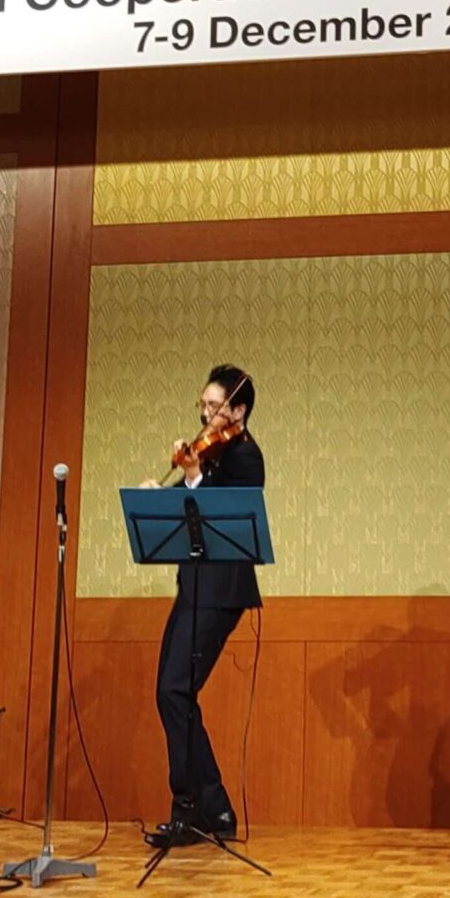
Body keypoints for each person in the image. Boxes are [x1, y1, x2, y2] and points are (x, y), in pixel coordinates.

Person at [146, 364, 265, 850]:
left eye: (216, 408)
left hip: (222, 593)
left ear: (238, 411)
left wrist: (194, 478)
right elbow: (187, 508)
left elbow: (220, 513)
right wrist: (159, 499)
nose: (207, 415)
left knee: (175, 691)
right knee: (170, 692)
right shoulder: (209, 455)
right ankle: (212, 806)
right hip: (194, 590)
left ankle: (193, 808)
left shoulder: (246, 457)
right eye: (204, 405)